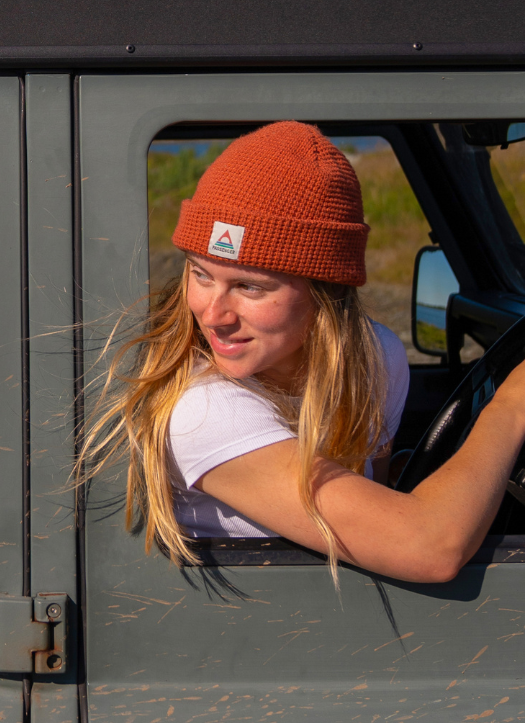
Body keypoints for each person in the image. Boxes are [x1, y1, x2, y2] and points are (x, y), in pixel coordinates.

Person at [81, 120, 525, 584]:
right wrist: (512, 403)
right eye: (201, 274)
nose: (212, 314)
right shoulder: (203, 408)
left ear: (324, 290)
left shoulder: (376, 357)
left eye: (249, 286)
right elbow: (428, 546)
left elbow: (377, 488)